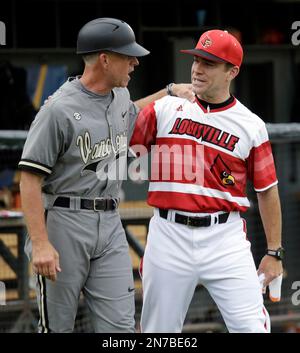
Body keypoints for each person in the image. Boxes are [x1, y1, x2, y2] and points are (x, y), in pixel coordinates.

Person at [18, 17, 193, 333]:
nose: (135, 62)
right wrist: (41, 243)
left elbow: (132, 112)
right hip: (64, 220)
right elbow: (29, 178)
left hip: (110, 221)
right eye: (128, 56)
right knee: (57, 327)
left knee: (121, 328)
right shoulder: (57, 109)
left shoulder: (121, 97)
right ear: (104, 58)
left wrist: (169, 92)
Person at [130, 29, 284, 333]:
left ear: (232, 71)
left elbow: (267, 190)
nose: (198, 69)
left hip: (224, 237)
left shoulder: (251, 125)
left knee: (252, 329)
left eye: (210, 63)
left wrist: (274, 251)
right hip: (168, 234)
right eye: (197, 60)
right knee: (157, 332)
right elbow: (117, 127)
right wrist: (167, 91)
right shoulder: (165, 108)